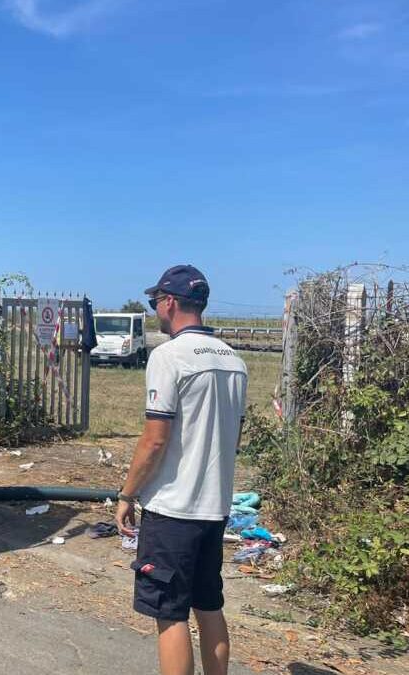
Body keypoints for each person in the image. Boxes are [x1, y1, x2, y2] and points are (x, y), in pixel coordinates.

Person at [114, 264, 248, 675]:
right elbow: (232, 437)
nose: (155, 308)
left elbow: (155, 440)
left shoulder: (168, 356)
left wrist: (126, 494)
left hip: (174, 510)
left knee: (169, 614)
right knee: (209, 606)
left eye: (156, 302)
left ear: (170, 302)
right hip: (214, 508)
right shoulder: (235, 362)